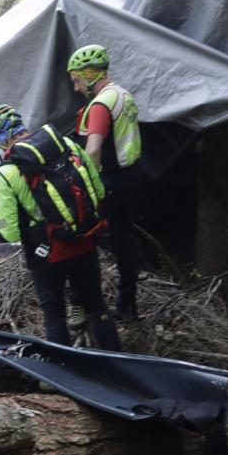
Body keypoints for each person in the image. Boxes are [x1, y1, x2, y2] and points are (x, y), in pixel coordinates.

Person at [0, 104, 121, 351]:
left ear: (2, 140)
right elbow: (97, 189)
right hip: (84, 239)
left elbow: (10, 231)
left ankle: (63, 372)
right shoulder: (66, 145)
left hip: (45, 253)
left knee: (54, 316)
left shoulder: (7, 172)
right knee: (97, 305)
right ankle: (117, 360)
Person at [67, 44, 142, 320]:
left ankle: (86, 304)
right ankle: (127, 304)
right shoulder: (123, 95)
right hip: (131, 175)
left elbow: (94, 148)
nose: (76, 88)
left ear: (89, 74)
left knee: (86, 240)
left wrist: (81, 182)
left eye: (76, 80)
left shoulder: (100, 104)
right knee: (124, 242)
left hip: (109, 180)